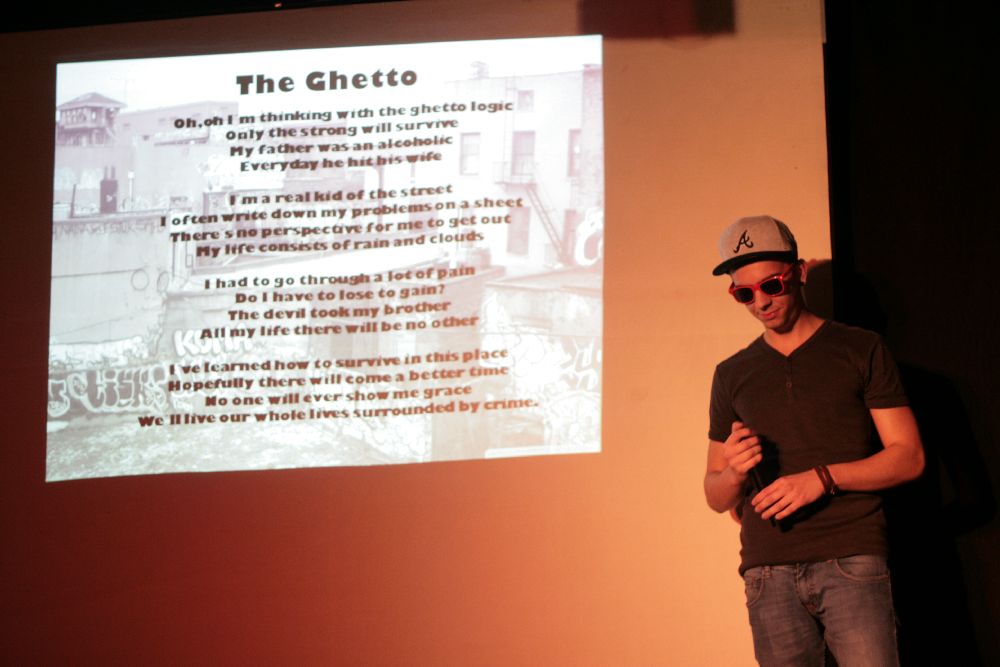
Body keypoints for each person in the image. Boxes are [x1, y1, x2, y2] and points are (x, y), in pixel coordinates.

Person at [704, 215, 924, 667]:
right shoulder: (731, 374)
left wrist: (822, 479)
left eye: (772, 285)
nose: (761, 302)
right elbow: (714, 493)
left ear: (799, 272)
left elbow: (909, 457)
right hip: (767, 571)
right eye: (744, 294)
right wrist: (734, 473)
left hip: (851, 559)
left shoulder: (860, 349)